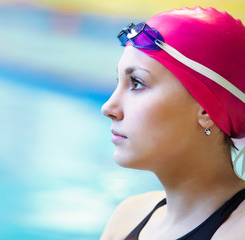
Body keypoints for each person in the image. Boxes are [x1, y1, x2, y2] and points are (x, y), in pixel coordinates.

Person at [100, 7, 245, 240]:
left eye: (137, 83)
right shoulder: (128, 216)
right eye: (119, 82)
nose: (108, 108)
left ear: (207, 110)